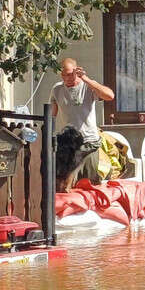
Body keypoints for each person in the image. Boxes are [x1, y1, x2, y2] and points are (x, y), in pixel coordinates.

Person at [50, 57, 115, 190]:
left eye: (69, 74)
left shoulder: (88, 87)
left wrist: (86, 79)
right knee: (64, 185)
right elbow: (51, 116)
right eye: (63, 75)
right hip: (68, 145)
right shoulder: (57, 89)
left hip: (89, 143)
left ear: (76, 71)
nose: (66, 78)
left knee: (90, 184)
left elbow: (110, 96)